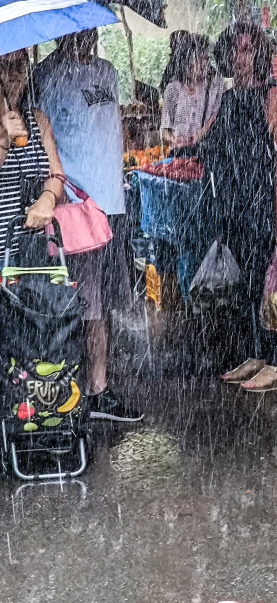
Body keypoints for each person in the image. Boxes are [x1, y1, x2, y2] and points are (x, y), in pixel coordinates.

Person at [34, 30, 143, 422]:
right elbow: (42, 140)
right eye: (77, 30)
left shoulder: (108, 72)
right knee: (85, 302)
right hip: (78, 206)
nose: (86, 36)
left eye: (91, 28)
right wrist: (57, 190)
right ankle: (88, 390)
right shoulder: (47, 76)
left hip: (113, 202)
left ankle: (97, 385)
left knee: (108, 301)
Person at [202, 23, 277, 392]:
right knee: (251, 285)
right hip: (236, 205)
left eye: (247, 50)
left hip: (264, 202)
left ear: (259, 55)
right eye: (235, 50)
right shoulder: (228, 97)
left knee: (276, 282)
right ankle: (257, 354)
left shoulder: (272, 96)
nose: (240, 58)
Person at [0, 49, 66, 257]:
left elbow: (56, 174)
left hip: (35, 250)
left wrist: (47, 197)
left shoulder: (38, 119)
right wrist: (3, 140)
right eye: (4, 66)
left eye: (20, 66)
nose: (14, 74)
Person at [161, 34, 224, 150]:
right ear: (188, 62)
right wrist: (174, 139)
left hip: (206, 150)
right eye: (202, 59)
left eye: (207, 59)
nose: (206, 64)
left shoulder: (214, 87)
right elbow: (164, 129)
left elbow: (215, 116)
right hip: (179, 152)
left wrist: (200, 134)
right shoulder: (172, 89)